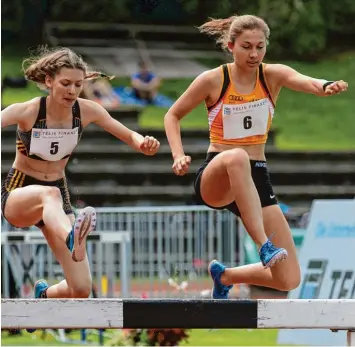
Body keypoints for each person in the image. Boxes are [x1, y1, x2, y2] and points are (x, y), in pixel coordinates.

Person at [164, 14, 348, 299]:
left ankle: (225, 275)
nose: (254, 54)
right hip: (219, 174)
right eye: (246, 46)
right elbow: (172, 114)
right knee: (237, 156)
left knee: (288, 279)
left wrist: (326, 85)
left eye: (260, 47)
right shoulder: (214, 79)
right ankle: (264, 245)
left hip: (256, 176)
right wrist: (178, 154)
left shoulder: (272, 75)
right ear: (231, 46)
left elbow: (306, 81)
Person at [1, 46, 161, 330]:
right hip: (21, 192)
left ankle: (44, 294)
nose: (72, 90)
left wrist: (142, 142)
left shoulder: (86, 111)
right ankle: (71, 237)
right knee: (47, 194)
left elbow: (124, 132)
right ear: (49, 81)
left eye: (78, 84)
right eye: (65, 83)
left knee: (81, 289)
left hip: (57, 196)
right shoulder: (28, 111)